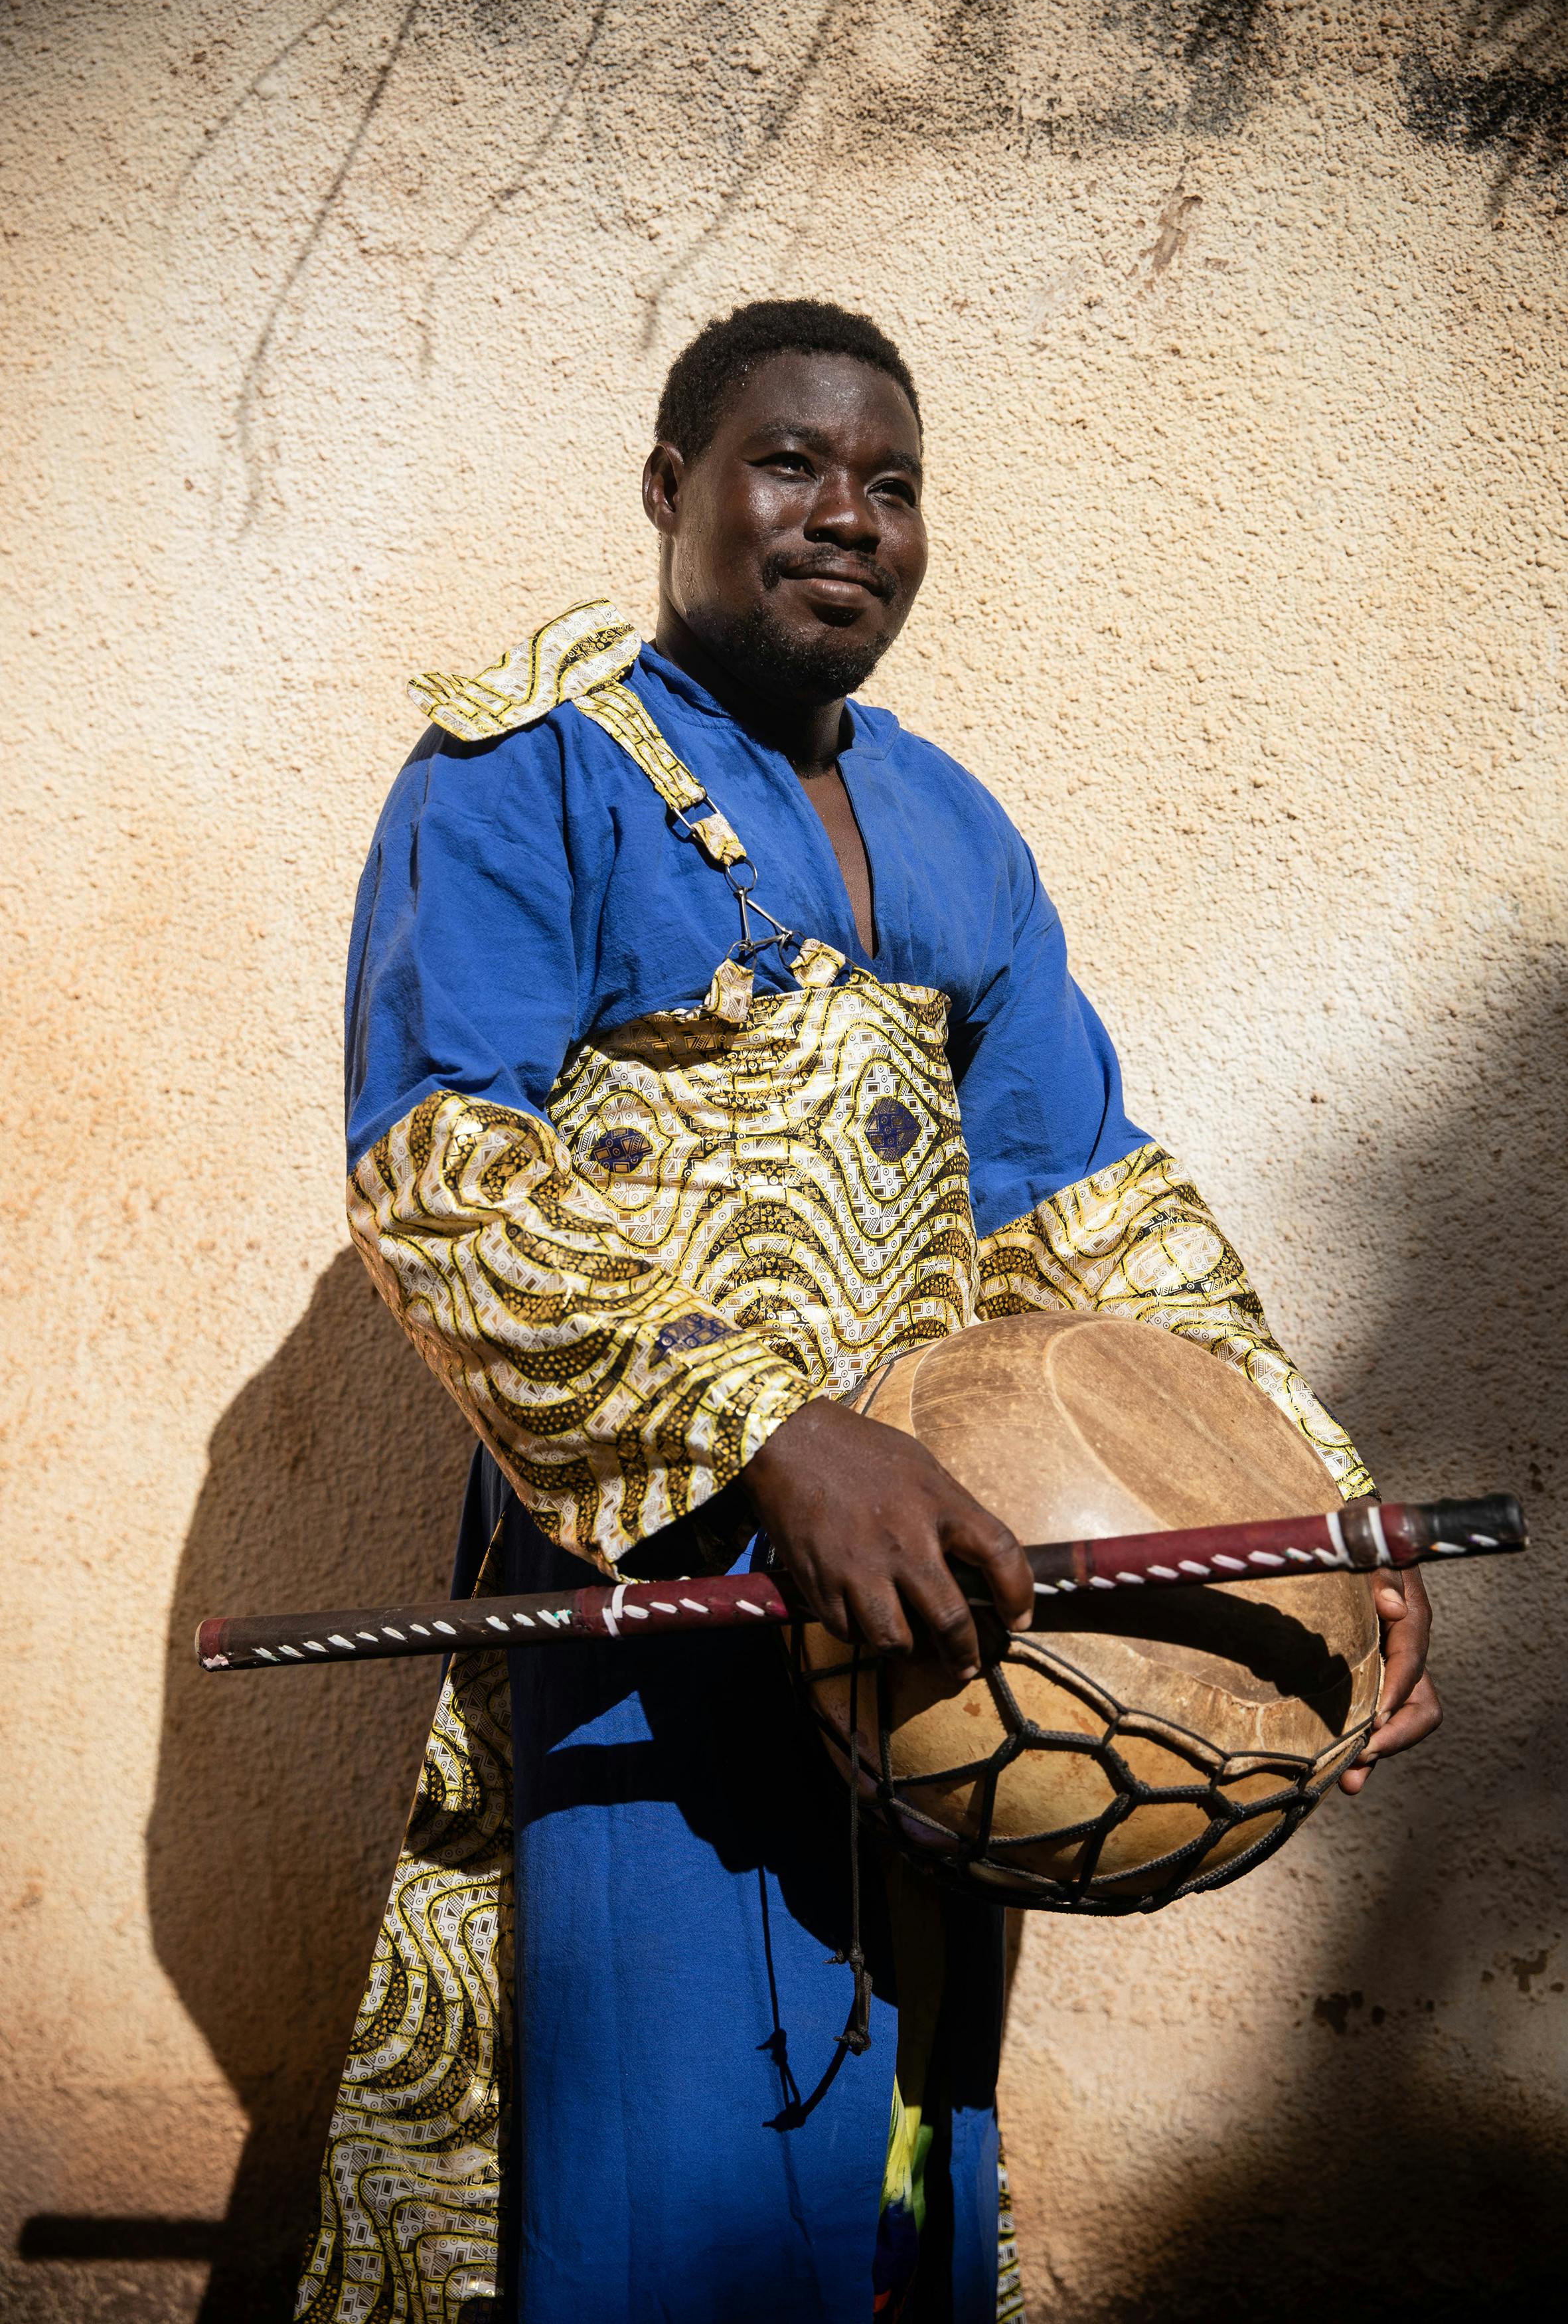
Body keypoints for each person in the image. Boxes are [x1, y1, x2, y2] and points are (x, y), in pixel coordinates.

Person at [295, 299, 1439, 2324]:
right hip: (668, 1612)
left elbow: (1087, 1209)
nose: (847, 514)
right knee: (675, 2202)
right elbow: (440, 1169)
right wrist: (775, 1437)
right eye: (789, 463)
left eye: (891, 484)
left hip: (948, 1637)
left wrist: (1313, 1518)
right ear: (669, 491)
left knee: (902, 2184)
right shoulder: (522, 771)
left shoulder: (954, 826)